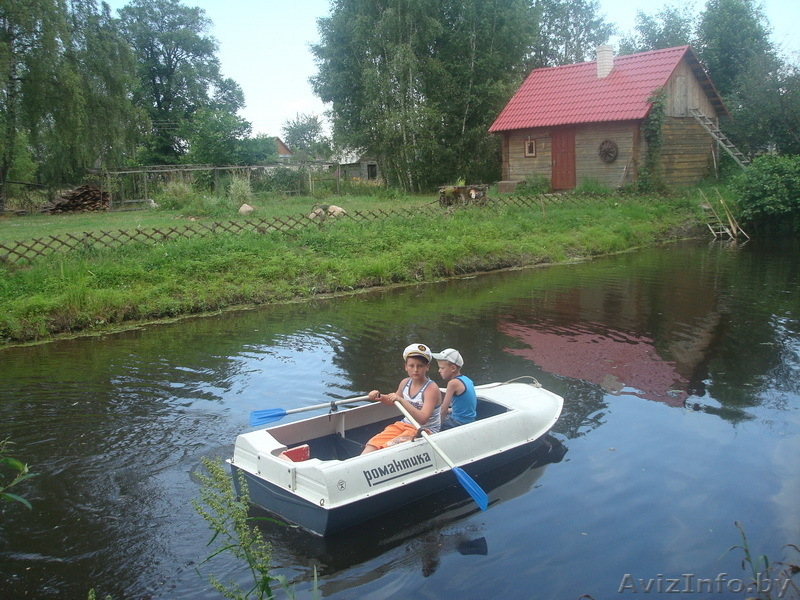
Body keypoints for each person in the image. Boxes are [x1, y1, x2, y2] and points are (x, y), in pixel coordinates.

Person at [361, 343, 442, 454]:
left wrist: (402, 401)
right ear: (405, 367)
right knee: (373, 443)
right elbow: (392, 400)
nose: (415, 370)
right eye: (411, 366)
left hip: (425, 430)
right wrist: (379, 396)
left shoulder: (431, 389)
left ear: (427, 367)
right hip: (405, 424)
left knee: (389, 446)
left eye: (420, 366)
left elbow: (423, 419)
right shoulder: (405, 382)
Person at [432, 348, 476, 430]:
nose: (439, 371)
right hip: (469, 420)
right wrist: (451, 410)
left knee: (429, 423)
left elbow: (443, 410)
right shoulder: (467, 379)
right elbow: (466, 406)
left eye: (442, 368)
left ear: (453, 368)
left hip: (459, 422)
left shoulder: (452, 383)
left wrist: (437, 429)